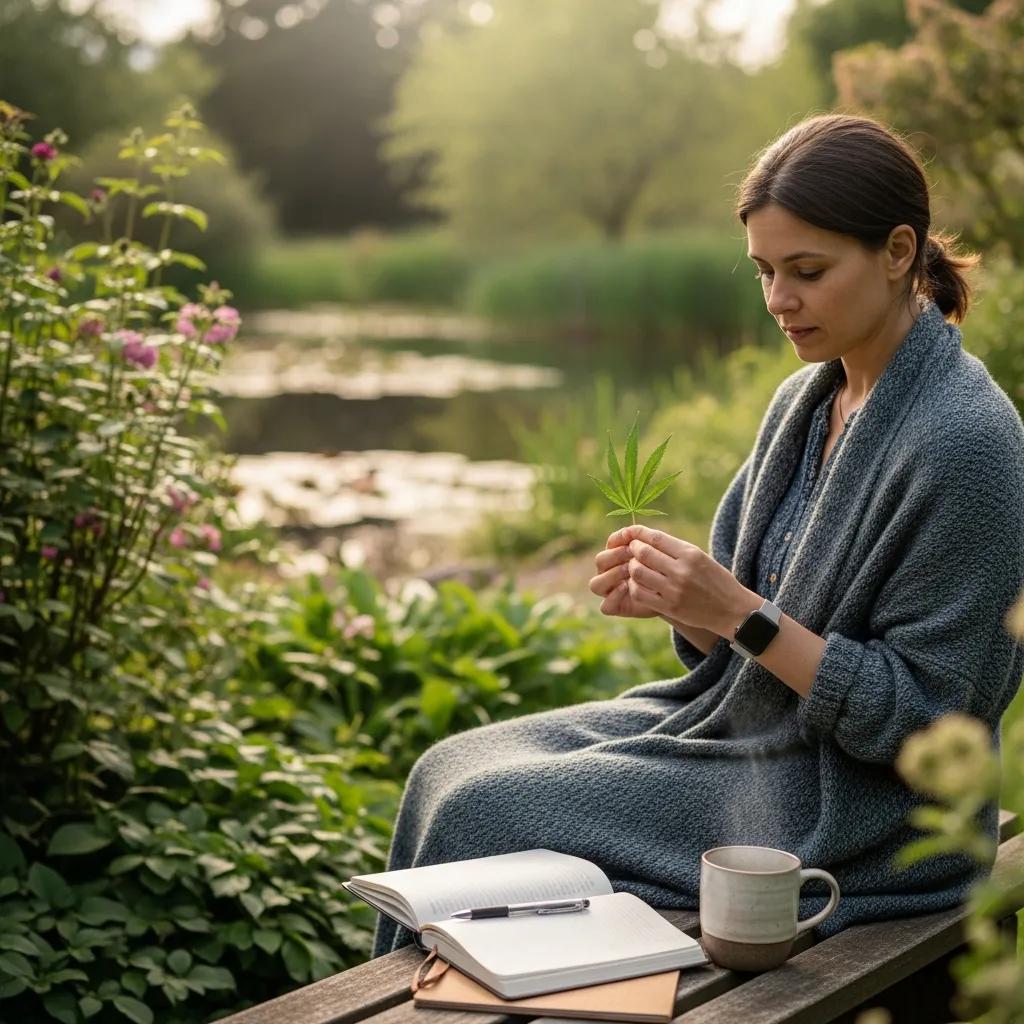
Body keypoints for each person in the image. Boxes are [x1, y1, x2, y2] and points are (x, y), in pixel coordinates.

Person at [371, 113, 1024, 958]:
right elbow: (742, 645)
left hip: (863, 811)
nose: (779, 301)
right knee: (444, 769)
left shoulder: (969, 444)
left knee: (482, 810)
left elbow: (929, 729)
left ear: (899, 251)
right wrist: (688, 607)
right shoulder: (806, 403)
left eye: (808, 271)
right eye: (763, 271)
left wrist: (739, 612)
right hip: (737, 728)